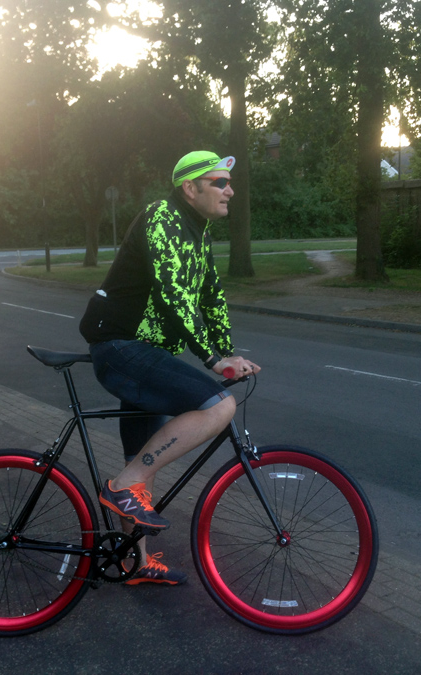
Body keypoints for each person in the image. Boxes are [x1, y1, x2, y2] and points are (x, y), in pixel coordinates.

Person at [79, 150, 260, 585]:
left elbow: (211, 298)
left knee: (140, 461)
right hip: (121, 346)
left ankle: (135, 561)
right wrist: (213, 359)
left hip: (143, 353)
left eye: (229, 182)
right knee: (219, 406)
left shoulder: (198, 233)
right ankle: (123, 485)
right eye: (219, 182)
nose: (230, 190)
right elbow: (174, 292)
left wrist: (228, 352)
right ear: (190, 188)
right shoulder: (162, 217)